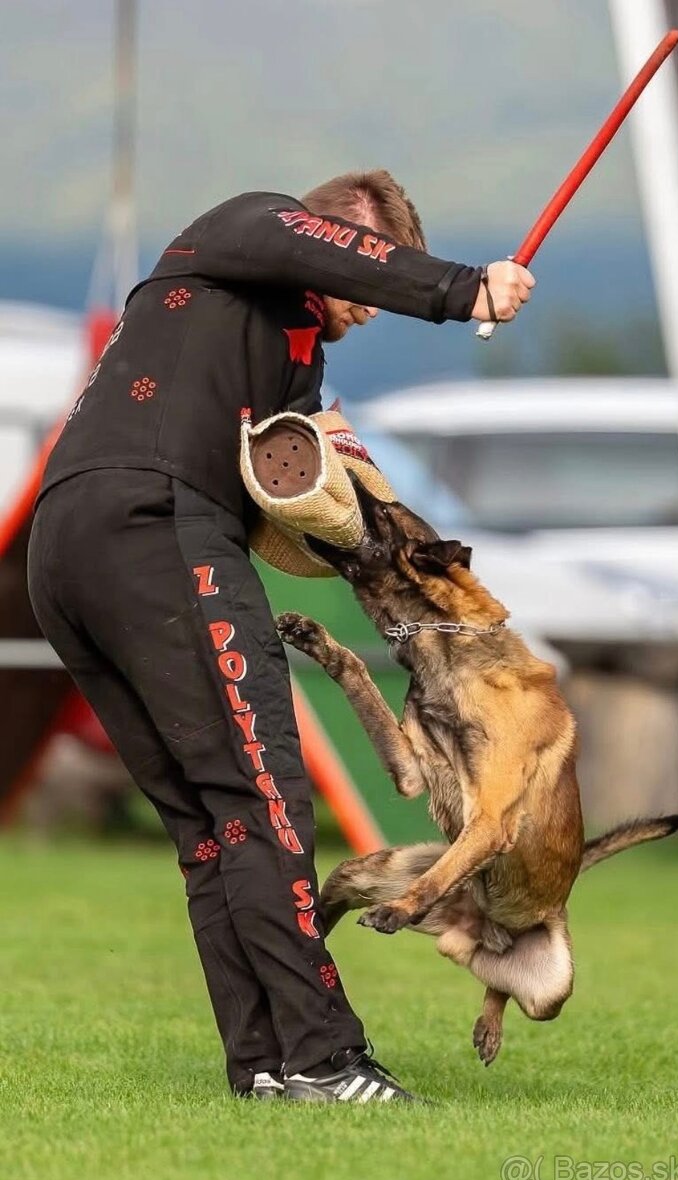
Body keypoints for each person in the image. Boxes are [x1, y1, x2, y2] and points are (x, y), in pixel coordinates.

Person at [27, 169, 535, 1104]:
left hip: (68, 548)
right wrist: (461, 287)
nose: (377, 298)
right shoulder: (249, 223)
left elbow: (313, 490)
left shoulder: (277, 355)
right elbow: (321, 248)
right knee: (264, 801)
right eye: (377, 266)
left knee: (213, 823)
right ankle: (327, 1059)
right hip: (154, 521)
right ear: (339, 232)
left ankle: (265, 1063)